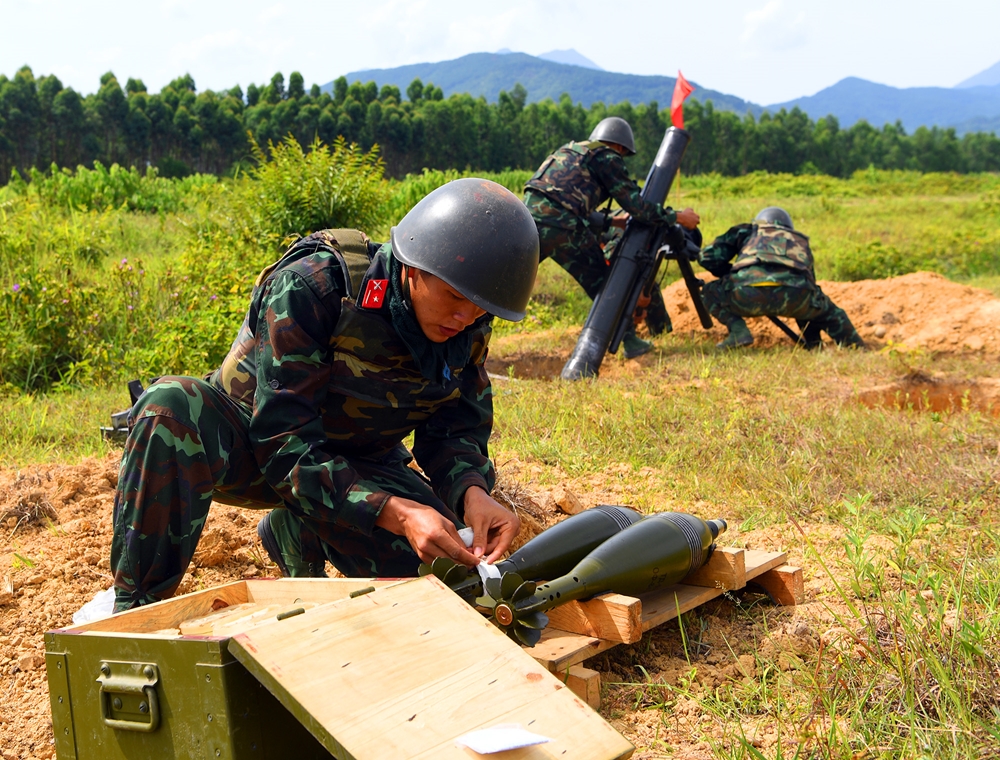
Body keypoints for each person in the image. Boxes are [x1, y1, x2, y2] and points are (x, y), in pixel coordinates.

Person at [110, 179, 539, 612]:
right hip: (254, 448)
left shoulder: (466, 323)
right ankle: (133, 607)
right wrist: (401, 513)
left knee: (447, 575)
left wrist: (472, 493)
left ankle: (297, 530)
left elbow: (454, 430)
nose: (466, 317)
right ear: (415, 267)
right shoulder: (315, 287)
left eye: (480, 308)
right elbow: (284, 445)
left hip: (355, 463)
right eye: (454, 298)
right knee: (170, 407)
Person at [523, 116, 700, 359]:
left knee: (511, 281)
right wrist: (678, 217)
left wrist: (609, 221)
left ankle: (471, 335)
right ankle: (630, 341)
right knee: (604, 283)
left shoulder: (570, 150)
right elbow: (638, 207)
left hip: (527, 221)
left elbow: (566, 198)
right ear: (619, 147)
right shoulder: (606, 157)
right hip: (564, 226)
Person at [698, 206, 865, 350]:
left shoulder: (748, 231)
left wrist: (729, 273)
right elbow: (809, 282)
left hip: (746, 292)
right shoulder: (799, 240)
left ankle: (738, 331)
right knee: (825, 310)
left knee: (708, 291)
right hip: (797, 295)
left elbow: (707, 257)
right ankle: (853, 347)